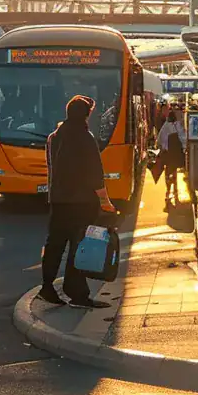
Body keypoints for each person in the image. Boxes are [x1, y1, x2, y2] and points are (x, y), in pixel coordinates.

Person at [40, 95, 115, 308]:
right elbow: (95, 174)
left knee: (54, 245)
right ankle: (77, 292)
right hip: (81, 202)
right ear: (85, 114)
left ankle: (47, 286)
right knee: (78, 247)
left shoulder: (54, 137)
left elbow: (51, 167)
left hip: (58, 200)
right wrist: (105, 201)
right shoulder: (85, 137)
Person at [157, 110, 187, 206]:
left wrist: (162, 148)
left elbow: (159, 140)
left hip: (167, 153)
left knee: (168, 171)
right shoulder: (177, 125)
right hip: (176, 153)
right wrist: (184, 148)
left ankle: (168, 189)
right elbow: (183, 138)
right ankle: (175, 189)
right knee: (174, 171)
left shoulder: (165, 126)